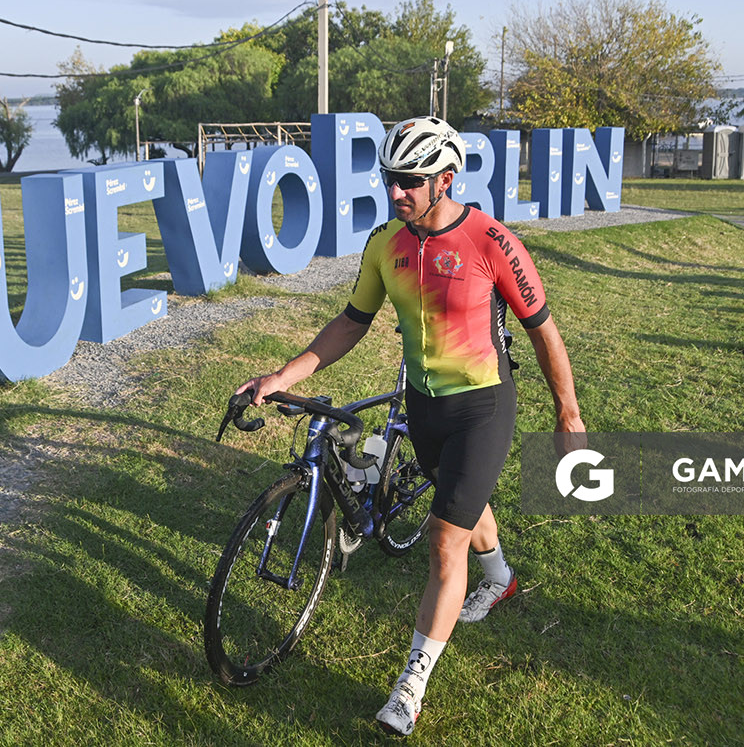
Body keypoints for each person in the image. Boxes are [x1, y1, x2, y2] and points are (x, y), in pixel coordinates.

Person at [236, 116, 585, 736]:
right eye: (390, 178)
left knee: (445, 538)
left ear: (445, 180)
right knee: (463, 502)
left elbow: (542, 329)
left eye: (409, 181)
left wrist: (568, 413)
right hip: (421, 405)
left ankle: (411, 683)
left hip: (482, 404)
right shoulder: (385, 243)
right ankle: (500, 578)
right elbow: (351, 322)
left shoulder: (491, 240)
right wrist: (284, 375)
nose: (396, 191)